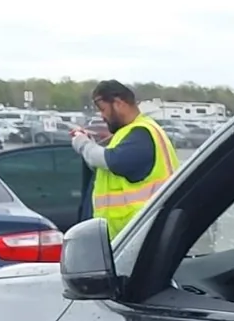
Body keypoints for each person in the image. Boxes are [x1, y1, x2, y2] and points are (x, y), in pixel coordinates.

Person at [70, 81, 178, 235]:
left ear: (119, 103)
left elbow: (109, 160)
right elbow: (104, 166)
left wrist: (82, 143)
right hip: (130, 235)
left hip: (138, 235)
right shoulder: (130, 133)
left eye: (103, 110)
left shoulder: (141, 133)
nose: (102, 116)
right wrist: (90, 144)